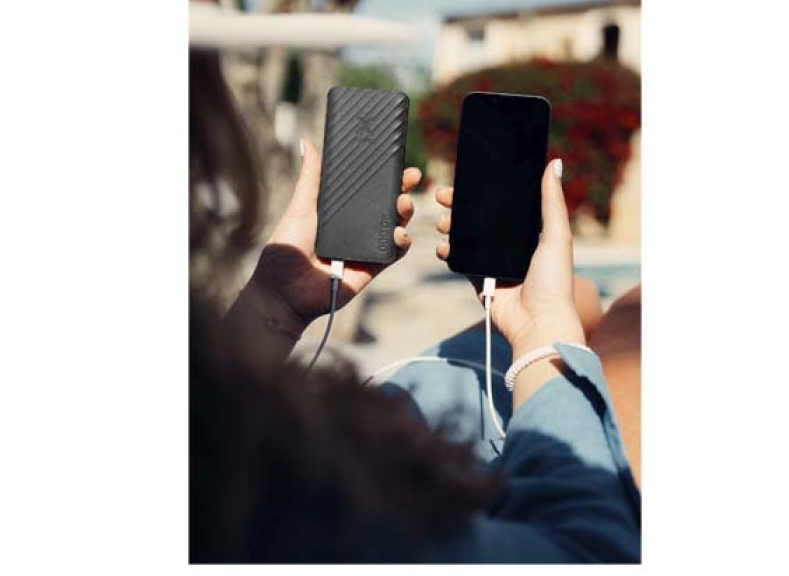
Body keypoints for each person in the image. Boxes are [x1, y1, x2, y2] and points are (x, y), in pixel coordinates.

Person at [189, 45, 642, 563]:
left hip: (396, 412)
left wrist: (274, 304)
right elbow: (592, 552)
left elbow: (208, 418)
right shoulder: (309, 522)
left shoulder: (207, 422)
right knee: (633, 312)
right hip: (443, 442)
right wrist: (540, 331)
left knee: (584, 296)